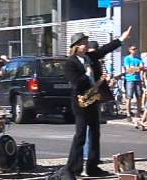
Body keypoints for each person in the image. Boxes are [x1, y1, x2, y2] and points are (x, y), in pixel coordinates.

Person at [47, 26, 132, 180]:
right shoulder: (70, 63)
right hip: (81, 101)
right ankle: (73, 168)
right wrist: (86, 75)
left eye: (86, 42)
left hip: (93, 99)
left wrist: (121, 39)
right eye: (83, 43)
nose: (86, 45)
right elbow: (76, 83)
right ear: (76, 46)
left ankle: (93, 167)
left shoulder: (90, 57)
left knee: (95, 132)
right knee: (80, 135)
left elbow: (105, 49)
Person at [123, 45, 144, 120]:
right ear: (129, 50)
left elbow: (142, 67)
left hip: (138, 79)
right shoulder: (127, 58)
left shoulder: (138, 58)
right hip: (129, 79)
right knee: (129, 97)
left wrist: (134, 69)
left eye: (135, 49)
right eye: (133, 49)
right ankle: (128, 113)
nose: (134, 50)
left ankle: (138, 113)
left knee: (139, 96)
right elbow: (128, 70)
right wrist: (137, 69)